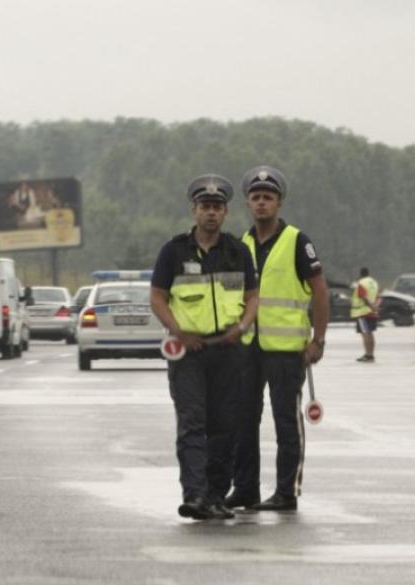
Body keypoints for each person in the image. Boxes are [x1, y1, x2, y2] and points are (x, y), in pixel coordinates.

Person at [150, 174, 259, 521]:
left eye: (217, 207)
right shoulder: (174, 251)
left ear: (225, 212)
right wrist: (178, 331)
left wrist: (241, 327)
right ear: (194, 211)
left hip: (228, 350)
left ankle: (216, 496)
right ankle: (194, 494)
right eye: (205, 207)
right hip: (189, 353)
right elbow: (157, 298)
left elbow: (253, 296)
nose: (211, 213)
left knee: (225, 425)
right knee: (192, 423)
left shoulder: (237, 251)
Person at [225, 165, 329, 513]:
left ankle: (286, 492)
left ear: (279, 203)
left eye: (267, 198)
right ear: (248, 204)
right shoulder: (241, 244)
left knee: (286, 421)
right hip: (247, 350)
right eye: (255, 198)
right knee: (243, 419)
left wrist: (319, 340)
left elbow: (320, 292)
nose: (261, 204)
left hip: (286, 351)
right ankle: (245, 489)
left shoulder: (298, 241)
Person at [351, 266, 380, 362]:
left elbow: (363, 296)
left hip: (363, 313)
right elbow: (379, 297)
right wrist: (375, 306)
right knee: (370, 334)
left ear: (360, 274)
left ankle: (368, 355)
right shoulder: (374, 283)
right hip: (372, 313)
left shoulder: (361, 283)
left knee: (365, 334)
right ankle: (371, 354)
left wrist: (371, 306)